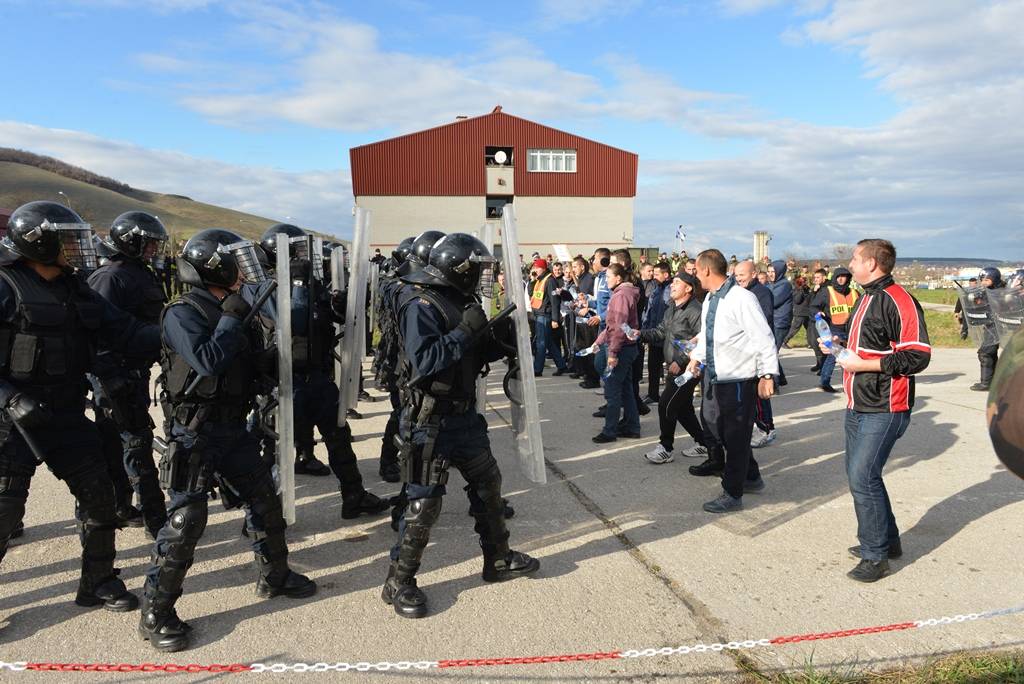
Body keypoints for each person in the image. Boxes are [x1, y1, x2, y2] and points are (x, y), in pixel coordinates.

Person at [142, 229, 316, 651]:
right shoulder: (181, 311)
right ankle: (156, 612)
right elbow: (208, 360)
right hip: (196, 431)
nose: (243, 271)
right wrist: (233, 318)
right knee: (185, 522)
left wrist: (282, 358)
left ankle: (275, 575)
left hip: (234, 429)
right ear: (213, 267)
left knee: (265, 501)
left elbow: (249, 365)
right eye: (235, 263)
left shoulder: (233, 307)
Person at [0, 200, 161, 614]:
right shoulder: (5, 285)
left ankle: (99, 581)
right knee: (5, 508)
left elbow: (124, 331)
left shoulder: (77, 288)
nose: (76, 249)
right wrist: (11, 399)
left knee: (100, 497)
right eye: (66, 241)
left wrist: (179, 330)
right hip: (11, 422)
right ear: (38, 243)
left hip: (66, 415)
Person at [384, 233, 539, 618]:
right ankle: (399, 581)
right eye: (478, 269)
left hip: (465, 417)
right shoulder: (420, 303)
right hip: (429, 420)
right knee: (424, 504)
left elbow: (472, 352)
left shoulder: (461, 299)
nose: (483, 277)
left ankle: (498, 560)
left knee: (489, 486)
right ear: (459, 269)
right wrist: (466, 331)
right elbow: (426, 361)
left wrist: (500, 338)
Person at [827, 239, 930, 582]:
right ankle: (887, 541)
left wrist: (865, 364)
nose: (849, 264)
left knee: (862, 477)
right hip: (859, 403)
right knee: (864, 476)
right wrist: (840, 348)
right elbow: (868, 345)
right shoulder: (867, 296)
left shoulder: (898, 299)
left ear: (872, 263)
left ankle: (875, 557)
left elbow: (918, 355)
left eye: (855, 259)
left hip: (886, 406)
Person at [87, 211, 170, 539]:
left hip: (134, 372)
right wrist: (108, 376)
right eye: (148, 243)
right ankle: (155, 518)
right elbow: (94, 333)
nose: (153, 249)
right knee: (135, 444)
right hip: (115, 375)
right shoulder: (110, 277)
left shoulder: (140, 273)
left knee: (114, 443)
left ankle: (120, 506)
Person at [686, 250, 777, 513]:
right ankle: (751, 476)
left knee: (736, 437)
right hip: (716, 377)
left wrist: (767, 374)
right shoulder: (710, 299)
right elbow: (707, 335)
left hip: (739, 379)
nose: (694, 275)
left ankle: (732, 492)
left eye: (696, 271)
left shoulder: (742, 298)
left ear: (705, 270)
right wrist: (697, 358)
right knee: (718, 430)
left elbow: (763, 337)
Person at [639, 272, 706, 463]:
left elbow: (701, 340)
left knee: (665, 404)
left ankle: (666, 448)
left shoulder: (696, 310)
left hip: (689, 369)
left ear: (688, 288)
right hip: (673, 367)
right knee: (683, 409)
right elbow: (661, 331)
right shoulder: (671, 308)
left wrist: (682, 361)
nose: (672, 286)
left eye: (677, 283)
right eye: (673, 282)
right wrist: (639, 334)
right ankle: (703, 443)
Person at [373, 236, 415, 482]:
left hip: (408, 359)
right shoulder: (393, 285)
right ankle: (388, 460)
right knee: (401, 412)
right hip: (397, 360)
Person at [591, 263, 641, 443]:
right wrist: (598, 342)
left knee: (612, 390)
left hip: (622, 349)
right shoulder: (622, 294)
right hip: (625, 347)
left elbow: (619, 328)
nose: (606, 280)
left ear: (618, 278)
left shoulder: (621, 296)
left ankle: (609, 431)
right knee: (626, 389)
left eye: (608, 276)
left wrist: (612, 353)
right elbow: (613, 325)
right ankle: (632, 426)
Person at [733, 261, 778, 448]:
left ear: (753, 274)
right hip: (745, 351)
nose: (738, 279)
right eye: (736, 275)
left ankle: (766, 428)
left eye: (742, 275)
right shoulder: (740, 293)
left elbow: (763, 322)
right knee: (750, 395)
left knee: (759, 395)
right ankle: (759, 426)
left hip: (758, 350)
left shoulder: (762, 293)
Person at [811, 266, 858, 392]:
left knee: (847, 358)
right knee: (834, 358)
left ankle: (847, 384)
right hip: (834, 330)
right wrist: (818, 314)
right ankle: (825, 382)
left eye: (844, 277)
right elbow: (814, 306)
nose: (841, 279)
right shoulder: (827, 291)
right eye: (839, 277)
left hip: (850, 330)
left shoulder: (854, 293)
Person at [528, 259, 568, 377]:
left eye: (537, 268)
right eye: (534, 268)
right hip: (539, 315)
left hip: (545, 316)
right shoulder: (539, 280)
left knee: (541, 343)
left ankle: (537, 369)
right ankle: (561, 365)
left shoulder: (550, 281)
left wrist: (555, 319)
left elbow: (555, 301)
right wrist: (532, 280)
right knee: (549, 342)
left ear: (543, 268)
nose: (535, 270)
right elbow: (531, 293)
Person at [641, 262, 671, 403]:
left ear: (666, 275)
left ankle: (670, 397)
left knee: (670, 369)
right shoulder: (655, 290)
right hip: (654, 335)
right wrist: (646, 332)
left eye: (657, 273)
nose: (653, 275)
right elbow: (649, 312)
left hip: (667, 337)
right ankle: (653, 395)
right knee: (653, 367)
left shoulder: (672, 290)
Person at [972, 267, 1003, 391]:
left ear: (994, 280)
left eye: (987, 280)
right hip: (989, 326)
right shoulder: (986, 291)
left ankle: (986, 383)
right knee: (990, 353)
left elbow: (997, 309)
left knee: (985, 353)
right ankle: (992, 381)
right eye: (982, 280)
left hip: (996, 327)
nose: (983, 282)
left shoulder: (1000, 293)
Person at [807, 269, 829, 372]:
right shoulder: (817, 288)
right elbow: (810, 303)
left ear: (824, 277)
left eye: (818, 277)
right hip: (812, 319)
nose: (815, 280)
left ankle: (823, 366)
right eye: (814, 278)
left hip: (822, 320)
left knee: (822, 344)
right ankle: (819, 363)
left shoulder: (827, 288)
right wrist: (813, 292)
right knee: (812, 342)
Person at [783, 276, 810, 348]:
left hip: (807, 312)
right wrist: (801, 290)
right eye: (802, 282)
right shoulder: (795, 290)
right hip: (800, 313)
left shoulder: (806, 289)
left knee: (810, 329)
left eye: (805, 281)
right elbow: (797, 300)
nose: (804, 283)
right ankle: (784, 341)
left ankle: (810, 343)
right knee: (795, 329)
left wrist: (806, 289)